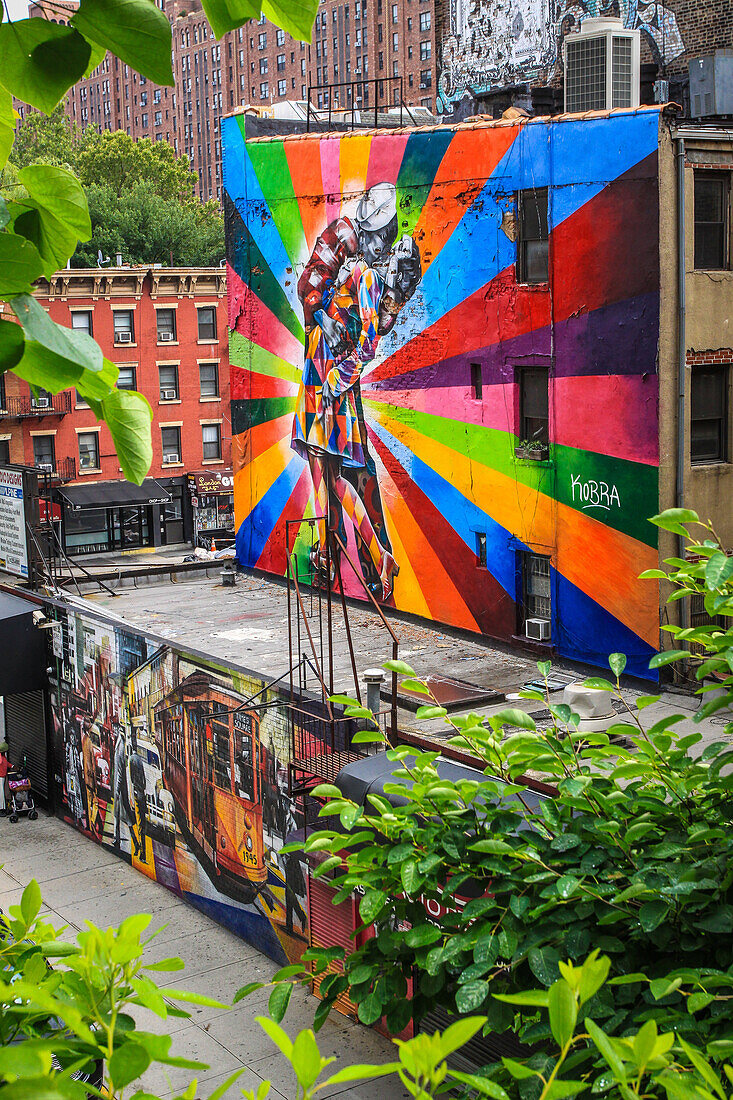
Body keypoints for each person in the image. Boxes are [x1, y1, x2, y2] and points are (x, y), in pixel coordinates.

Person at [292, 232, 421, 601]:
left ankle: (336, 553)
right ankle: (368, 556)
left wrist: (335, 377)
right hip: (329, 375)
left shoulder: (367, 279)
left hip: (326, 376)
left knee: (322, 470)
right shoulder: (372, 284)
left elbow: (366, 345)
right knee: (329, 476)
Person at [297, 182, 399, 361]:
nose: (378, 256)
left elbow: (379, 325)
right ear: (371, 234)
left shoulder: (373, 268)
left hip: (347, 352)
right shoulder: (343, 235)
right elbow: (309, 283)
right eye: (378, 248)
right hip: (324, 342)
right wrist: (323, 320)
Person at [128, 731, 148, 864]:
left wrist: (131, 795)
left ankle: (141, 852)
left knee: (137, 823)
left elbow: (130, 780)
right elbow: (144, 781)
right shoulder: (140, 760)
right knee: (142, 825)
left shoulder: (131, 760)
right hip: (142, 795)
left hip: (135, 794)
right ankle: (142, 852)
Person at [0, 741, 9, 817]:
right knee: (1, 793)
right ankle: (1, 808)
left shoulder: (3, 757)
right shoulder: (0, 757)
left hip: (3, 776)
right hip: (0, 777)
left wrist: (12, 766)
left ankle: (4, 807)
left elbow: (7, 764)